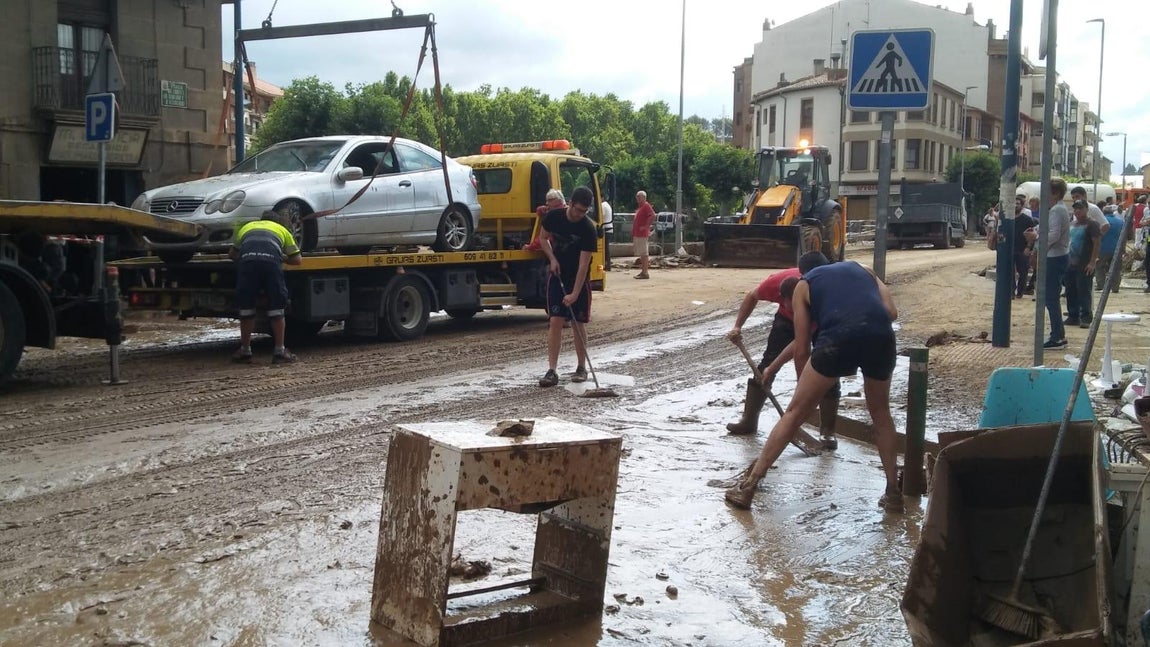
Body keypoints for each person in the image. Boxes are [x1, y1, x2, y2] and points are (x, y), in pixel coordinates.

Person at [724, 256, 901, 513]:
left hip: (837, 339)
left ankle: (748, 488)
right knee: (881, 415)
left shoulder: (804, 285)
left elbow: (802, 346)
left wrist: (804, 390)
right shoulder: (864, 269)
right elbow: (891, 313)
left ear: (803, 272)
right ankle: (893, 493)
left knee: (793, 414)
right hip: (880, 337)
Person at [725, 252, 841, 450]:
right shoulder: (776, 284)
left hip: (820, 322)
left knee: (828, 369)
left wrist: (803, 387)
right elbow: (752, 296)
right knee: (766, 365)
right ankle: (749, 420)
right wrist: (737, 326)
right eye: (792, 304)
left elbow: (801, 345)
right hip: (785, 322)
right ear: (781, 298)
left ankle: (827, 431)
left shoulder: (823, 292)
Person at [537, 186, 598, 387]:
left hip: (578, 279)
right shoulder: (553, 217)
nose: (581, 214)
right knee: (555, 321)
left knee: (577, 322)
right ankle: (552, 371)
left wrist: (575, 294)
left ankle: (581, 367)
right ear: (570, 203)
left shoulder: (588, 229)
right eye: (578, 210)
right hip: (558, 275)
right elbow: (542, 238)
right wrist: (552, 258)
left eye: (584, 211)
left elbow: (583, 266)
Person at [230, 210, 303, 364]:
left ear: (260, 220)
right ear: (277, 222)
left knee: (246, 309)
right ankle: (279, 351)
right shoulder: (282, 230)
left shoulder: (247, 227)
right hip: (271, 265)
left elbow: (232, 254)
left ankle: (245, 350)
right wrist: (281, 256)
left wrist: (250, 257)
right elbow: (297, 260)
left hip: (248, 265)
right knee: (277, 309)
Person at [1024, 178, 1072, 349]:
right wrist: (1037, 232)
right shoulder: (1056, 209)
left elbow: (1053, 235)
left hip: (1055, 258)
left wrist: (1036, 237)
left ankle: (1057, 336)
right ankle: (1057, 334)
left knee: (1051, 298)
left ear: (1055, 193)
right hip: (1055, 256)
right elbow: (1049, 229)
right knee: (1050, 298)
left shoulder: (1057, 210)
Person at [1063, 200, 1101, 328]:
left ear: (1086, 209)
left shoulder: (1092, 224)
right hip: (1070, 263)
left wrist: (1092, 262)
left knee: (1083, 291)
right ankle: (1073, 316)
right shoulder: (1072, 224)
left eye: (1080, 208)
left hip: (1084, 264)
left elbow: (1096, 243)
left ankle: (1086, 317)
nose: (1078, 211)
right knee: (1070, 290)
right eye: (1076, 209)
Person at [1096, 204, 1123, 293]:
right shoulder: (1120, 221)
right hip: (1117, 249)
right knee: (1116, 269)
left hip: (1103, 249)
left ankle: (1101, 286)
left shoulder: (1101, 221)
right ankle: (1115, 287)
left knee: (1100, 267)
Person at [1012, 195, 1035, 299]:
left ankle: (1020, 292)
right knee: (1010, 272)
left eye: (1018, 203)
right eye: (1014, 203)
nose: (1015, 205)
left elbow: (1032, 235)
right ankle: (1011, 291)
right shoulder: (1008, 219)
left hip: (1023, 249)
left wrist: (1028, 247)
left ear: (1022, 206)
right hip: (1011, 249)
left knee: (1023, 271)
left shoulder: (1027, 220)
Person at [632, 190, 655, 279]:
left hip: (642, 234)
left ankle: (645, 272)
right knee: (642, 253)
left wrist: (646, 226)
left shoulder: (646, 206)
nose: (637, 198)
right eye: (637, 196)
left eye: (639, 196)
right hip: (638, 233)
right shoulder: (640, 207)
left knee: (644, 253)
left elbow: (652, 215)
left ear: (644, 197)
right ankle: (643, 271)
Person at [601, 199, 614, 270]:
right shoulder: (607, 205)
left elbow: (601, 216)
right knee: (606, 247)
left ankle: (607, 264)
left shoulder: (603, 205)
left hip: (605, 228)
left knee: (605, 248)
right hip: (609, 228)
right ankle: (607, 264)